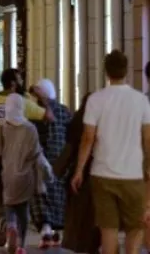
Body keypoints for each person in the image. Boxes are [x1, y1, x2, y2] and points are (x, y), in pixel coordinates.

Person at [71, 50, 150, 254]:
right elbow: (147, 140)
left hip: (102, 174)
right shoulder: (141, 100)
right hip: (133, 176)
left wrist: (79, 170)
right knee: (135, 228)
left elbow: (88, 138)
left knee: (109, 230)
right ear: (127, 71)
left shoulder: (96, 100)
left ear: (106, 72)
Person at [0, 68, 52, 246]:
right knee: (22, 203)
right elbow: (48, 116)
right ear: (14, 83)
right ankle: (18, 233)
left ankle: (2, 220)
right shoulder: (24, 103)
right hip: (23, 163)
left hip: (2, 160)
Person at [54, 93, 100, 254]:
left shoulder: (76, 124)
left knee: (81, 223)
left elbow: (68, 151)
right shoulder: (102, 123)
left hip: (81, 180)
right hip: (100, 178)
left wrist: (56, 172)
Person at [30, 78, 71, 248]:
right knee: (58, 194)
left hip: (43, 158)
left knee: (41, 192)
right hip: (61, 159)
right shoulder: (64, 110)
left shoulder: (36, 111)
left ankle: (45, 226)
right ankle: (56, 230)